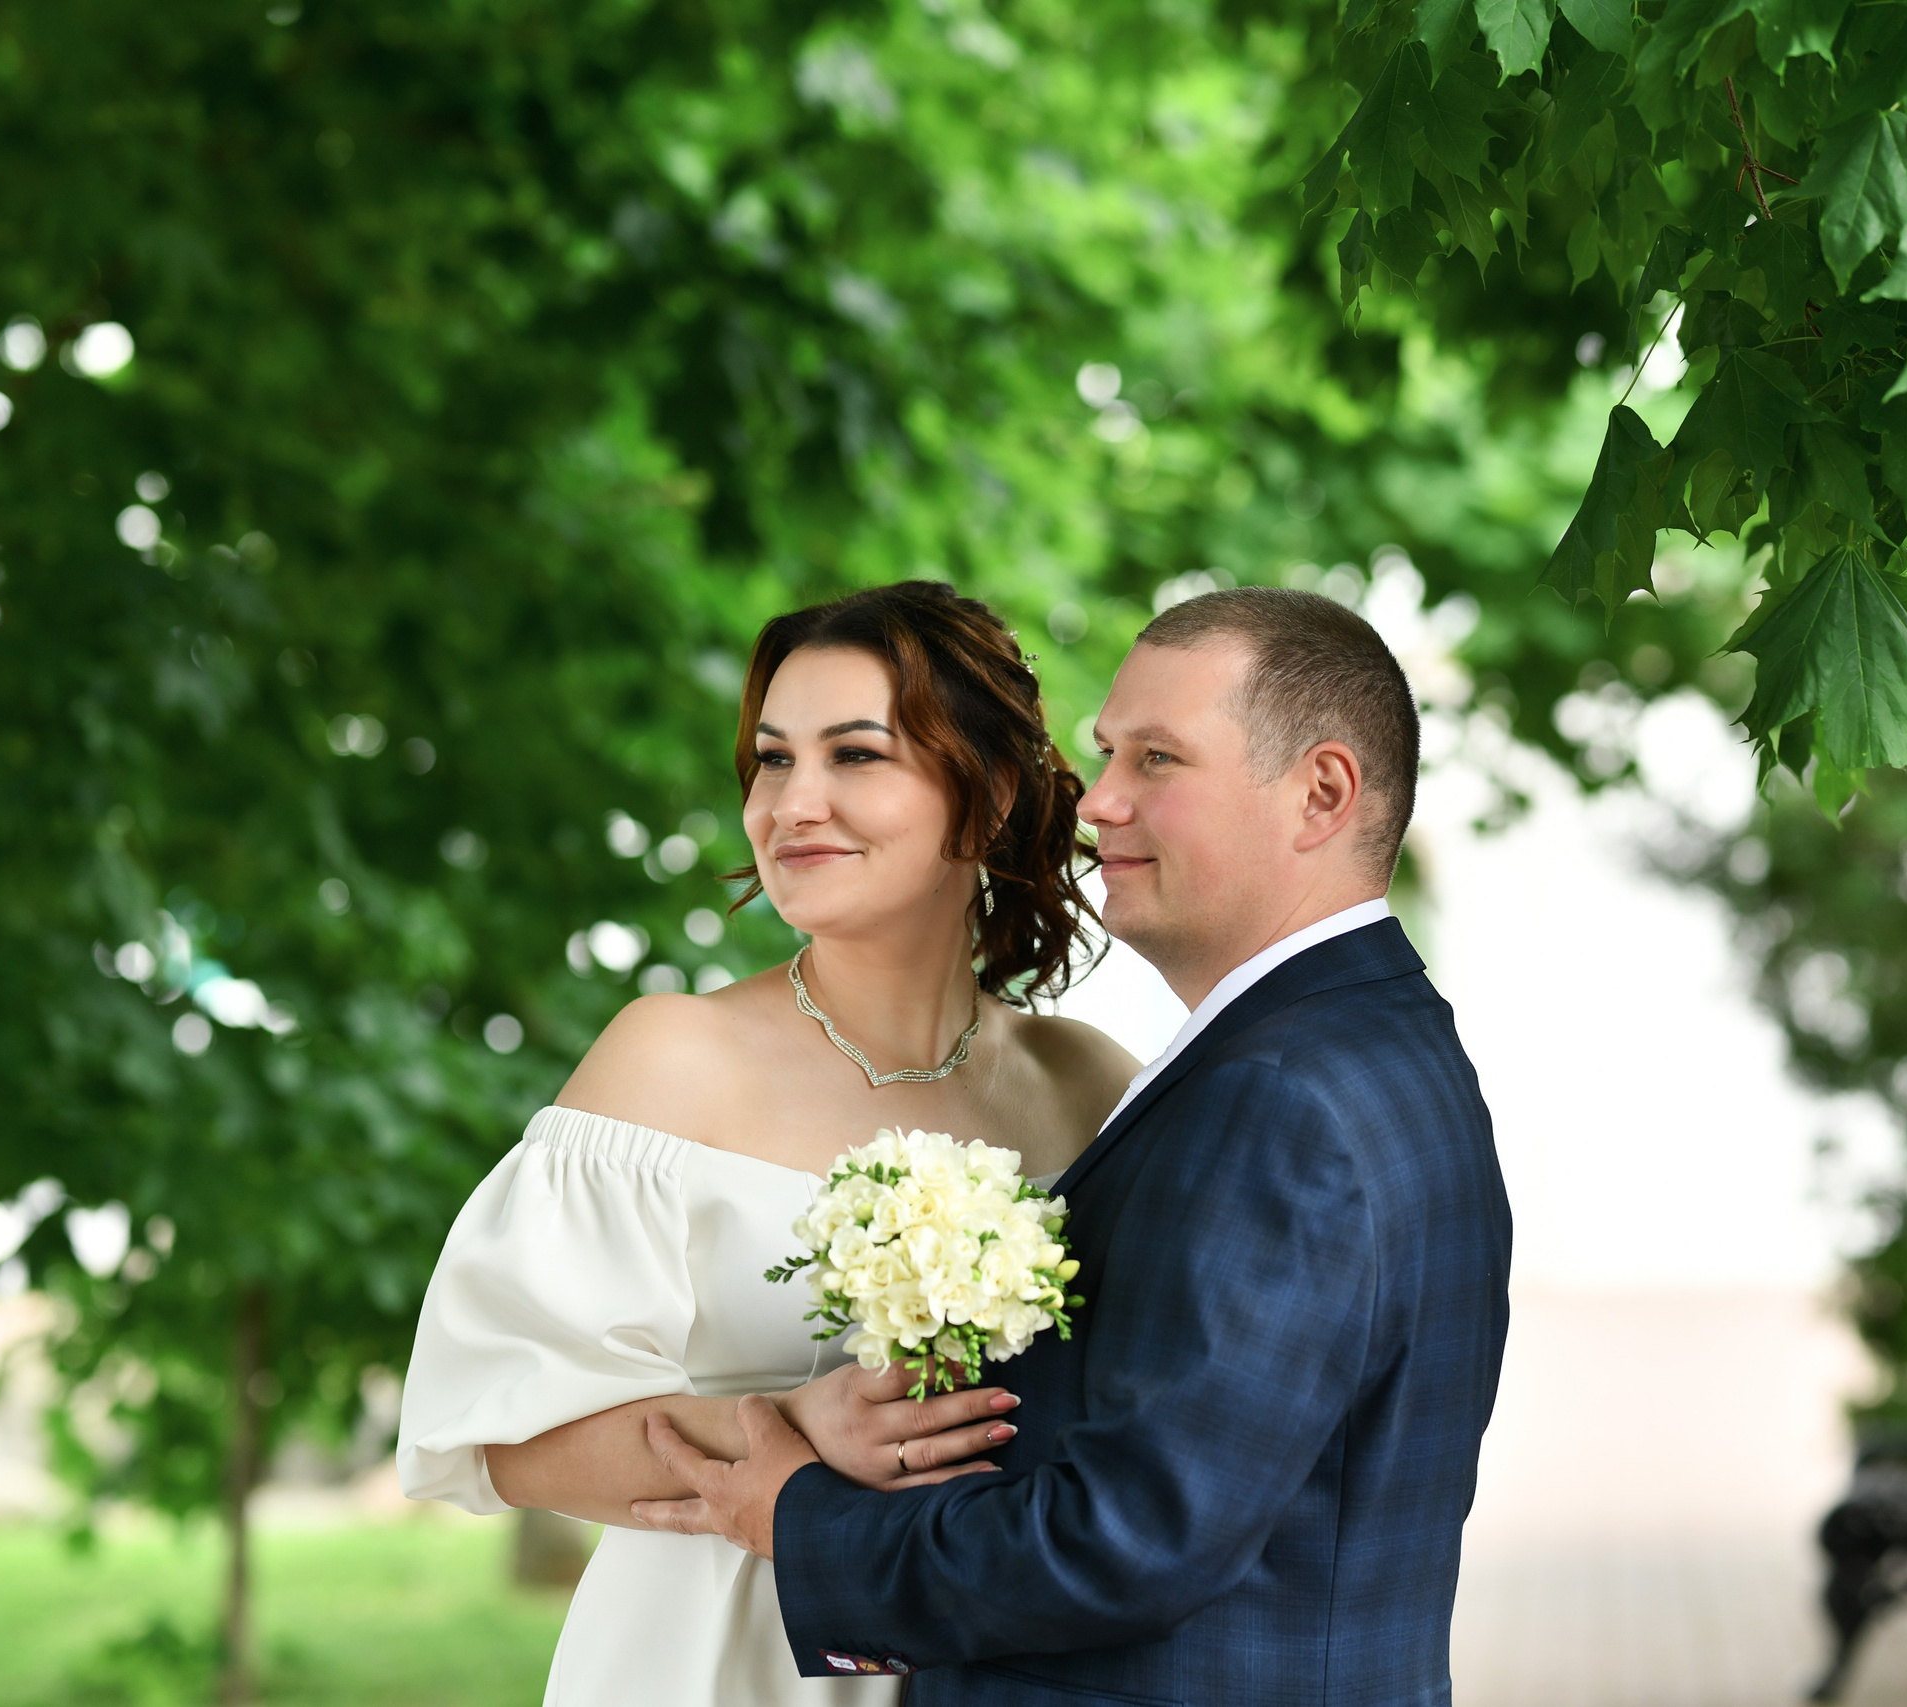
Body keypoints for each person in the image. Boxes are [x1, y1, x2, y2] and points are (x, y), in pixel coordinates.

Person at [635, 586, 1513, 1705]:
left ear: (1320, 793)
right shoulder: (1375, 1041)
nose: (1097, 801)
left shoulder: (1279, 1097)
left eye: (1156, 760)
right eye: (1105, 754)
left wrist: (799, 1518)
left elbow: (1129, 1539)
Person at [396, 581, 1141, 1704]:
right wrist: (785, 1428)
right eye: (771, 759)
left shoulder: (1089, 1086)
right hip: (711, 1661)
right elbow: (498, 1434)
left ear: (984, 793)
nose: (791, 803)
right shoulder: (671, 1058)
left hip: (1000, 1661)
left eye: (854, 756)